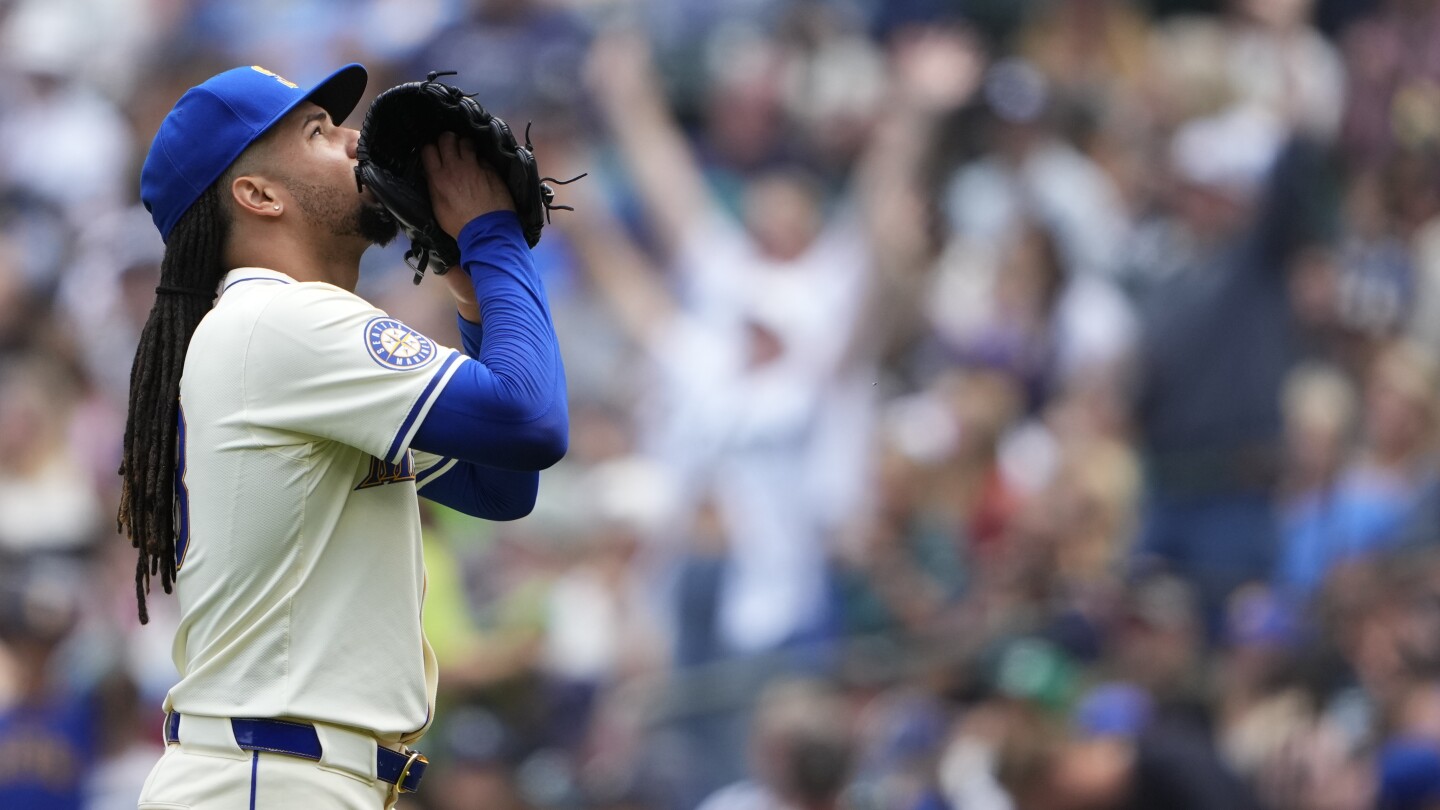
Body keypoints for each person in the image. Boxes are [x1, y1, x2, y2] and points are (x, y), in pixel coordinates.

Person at [117, 63, 568, 808]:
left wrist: (465, 277)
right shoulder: (278, 320)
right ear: (258, 194)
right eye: (318, 133)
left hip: (288, 773)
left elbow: (501, 483)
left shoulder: (284, 336)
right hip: (270, 777)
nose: (356, 139)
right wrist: (491, 236)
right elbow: (531, 420)